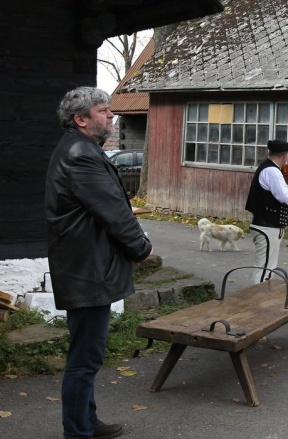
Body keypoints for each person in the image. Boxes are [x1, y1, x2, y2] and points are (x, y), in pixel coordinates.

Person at [45, 86, 153, 439]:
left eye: (109, 110)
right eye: (104, 111)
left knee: (87, 354)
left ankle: (87, 422)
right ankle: (78, 431)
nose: (112, 116)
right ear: (81, 119)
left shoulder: (81, 149)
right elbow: (113, 212)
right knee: (85, 358)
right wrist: (141, 248)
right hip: (87, 271)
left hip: (86, 265)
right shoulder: (81, 154)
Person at [245, 139, 288, 284]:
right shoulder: (272, 171)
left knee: (267, 267)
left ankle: (260, 299)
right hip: (267, 226)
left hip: (268, 225)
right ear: (285, 155)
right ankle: (257, 300)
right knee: (264, 269)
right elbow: (284, 197)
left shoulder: (270, 169)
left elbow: (282, 192)